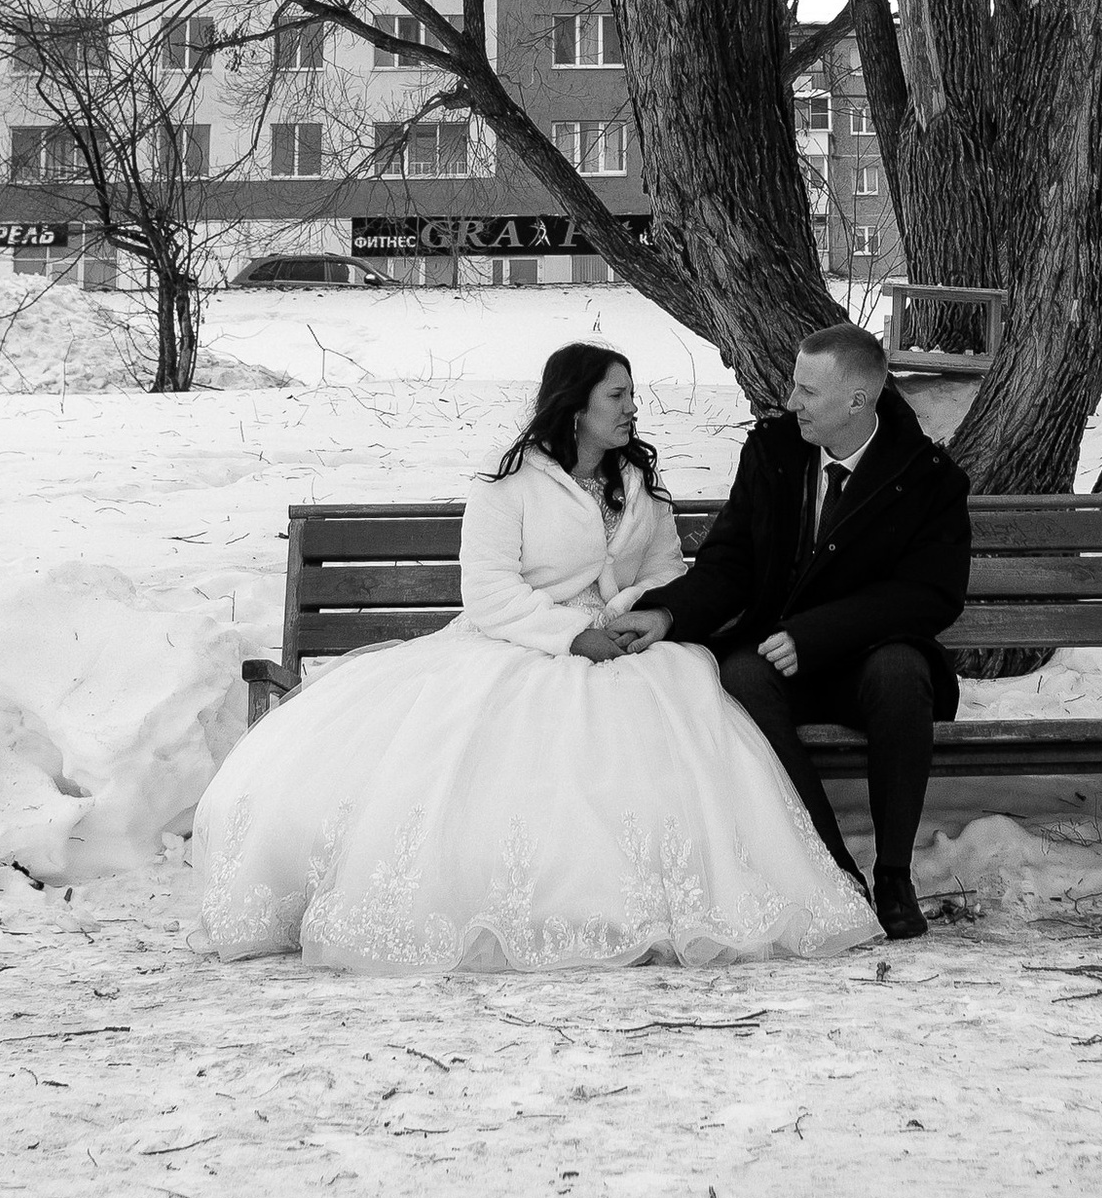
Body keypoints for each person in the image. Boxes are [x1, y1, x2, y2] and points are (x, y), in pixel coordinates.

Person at [192, 342, 879, 974]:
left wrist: (633, 611)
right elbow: (487, 593)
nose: (633, 408)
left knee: (681, 726)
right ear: (574, 405)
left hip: (630, 648)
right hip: (517, 647)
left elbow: (670, 569)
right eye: (617, 396)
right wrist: (571, 634)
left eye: (631, 395)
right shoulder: (507, 487)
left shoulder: (637, 481)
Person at [625, 319, 970, 940]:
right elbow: (731, 563)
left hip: (868, 659)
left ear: (857, 400)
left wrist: (819, 633)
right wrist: (667, 613)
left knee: (901, 672)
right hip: (781, 662)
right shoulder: (774, 452)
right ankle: (834, 868)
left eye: (808, 391)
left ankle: (893, 874)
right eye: (795, 385)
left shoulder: (928, 477)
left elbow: (931, 594)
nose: (791, 401)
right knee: (738, 674)